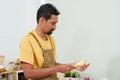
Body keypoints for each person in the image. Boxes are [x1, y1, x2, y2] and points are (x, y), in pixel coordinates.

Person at [19, 3, 89, 80]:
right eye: (53, 23)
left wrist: (73, 65)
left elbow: (52, 64)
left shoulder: (50, 39)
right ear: (42, 20)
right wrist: (57, 69)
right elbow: (28, 73)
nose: (55, 27)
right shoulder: (27, 41)